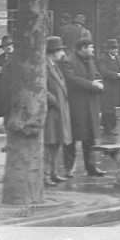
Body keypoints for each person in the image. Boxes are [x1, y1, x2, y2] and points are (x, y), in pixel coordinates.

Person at [60, 38, 106, 177]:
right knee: (71, 139)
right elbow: (72, 80)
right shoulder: (68, 61)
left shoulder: (90, 60)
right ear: (82, 48)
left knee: (90, 139)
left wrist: (100, 84)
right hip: (76, 106)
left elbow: (98, 75)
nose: (92, 50)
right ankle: (69, 168)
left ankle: (91, 167)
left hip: (90, 106)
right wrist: (92, 85)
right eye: (90, 47)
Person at [43, 36, 72, 186]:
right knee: (49, 144)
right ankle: (45, 175)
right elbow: (41, 89)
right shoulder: (44, 67)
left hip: (59, 112)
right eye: (61, 50)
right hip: (51, 112)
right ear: (53, 52)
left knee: (57, 143)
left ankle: (53, 173)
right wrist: (53, 100)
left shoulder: (54, 65)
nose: (63, 53)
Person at [96, 38, 120, 138]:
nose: (116, 51)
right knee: (108, 109)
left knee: (115, 108)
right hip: (109, 88)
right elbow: (103, 71)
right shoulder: (103, 59)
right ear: (109, 49)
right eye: (114, 49)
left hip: (118, 88)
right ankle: (107, 128)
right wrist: (116, 75)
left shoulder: (117, 57)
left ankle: (111, 127)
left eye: (116, 48)